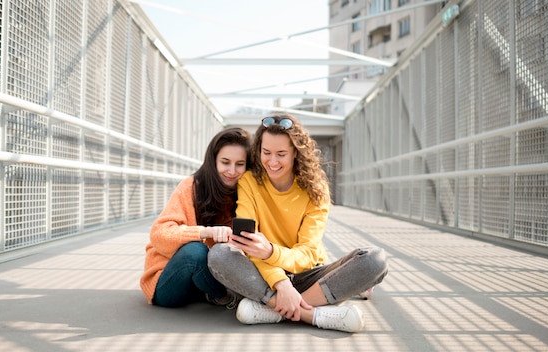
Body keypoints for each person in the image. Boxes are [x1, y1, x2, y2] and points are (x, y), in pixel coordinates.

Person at [208, 113, 388, 333]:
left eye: (281, 154)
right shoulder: (249, 182)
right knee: (219, 254)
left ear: (296, 152)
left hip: (309, 274)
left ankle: (275, 309)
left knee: (374, 261)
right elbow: (249, 243)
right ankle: (310, 314)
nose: (272, 162)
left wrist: (271, 252)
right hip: (264, 275)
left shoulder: (316, 188)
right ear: (259, 151)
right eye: (266, 153)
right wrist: (281, 283)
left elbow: (308, 253)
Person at [140, 127, 251, 309]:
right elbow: (159, 234)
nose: (232, 171)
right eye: (225, 162)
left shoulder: (248, 193)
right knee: (195, 252)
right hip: (170, 280)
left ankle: (225, 294)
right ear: (213, 161)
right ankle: (228, 297)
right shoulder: (191, 186)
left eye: (239, 164)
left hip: (209, 278)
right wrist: (204, 232)